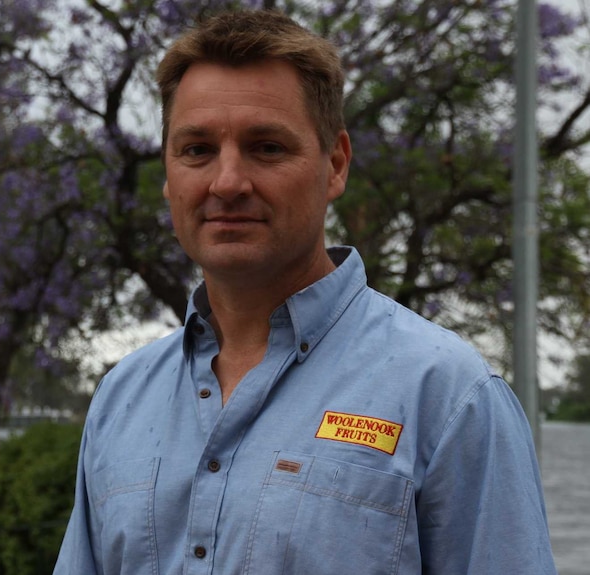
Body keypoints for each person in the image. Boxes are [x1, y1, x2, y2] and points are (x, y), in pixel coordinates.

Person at [54, 9, 556, 575]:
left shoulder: (448, 397)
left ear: (335, 164)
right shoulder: (122, 397)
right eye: (196, 150)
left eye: (266, 147)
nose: (227, 182)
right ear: (169, 175)